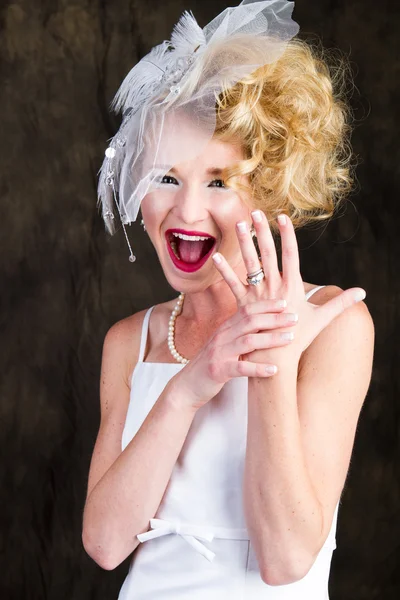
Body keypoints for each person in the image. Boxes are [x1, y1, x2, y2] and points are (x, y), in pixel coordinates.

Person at [82, 1, 375, 598]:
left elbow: (286, 558)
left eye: (219, 182)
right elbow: (106, 545)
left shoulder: (334, 326)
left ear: (270, 190)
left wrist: (275, 359)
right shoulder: (127, 341)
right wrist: (189, 387)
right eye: (165, 177)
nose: (186, 212)